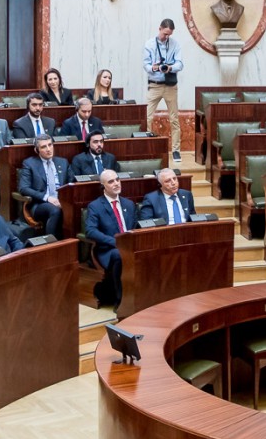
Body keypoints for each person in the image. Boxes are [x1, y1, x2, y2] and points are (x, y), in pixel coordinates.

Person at [84, 170, 137, 308]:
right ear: (103, 186)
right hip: (108, 249)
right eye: (111, 181)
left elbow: (136, 226)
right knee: (119, 254)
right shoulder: (95, 206)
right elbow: (90, 231)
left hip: (130, 245)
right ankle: (121, 300)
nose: (116, 183)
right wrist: (116, 242)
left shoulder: (129, 204)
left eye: (117, 180)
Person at [143, 18, 184, 162]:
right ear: (159, 28)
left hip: (170, 86)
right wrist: (154, 67)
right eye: (165, 33)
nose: (166, 37)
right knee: (147, 117)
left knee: (174, 119)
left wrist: (170, 67)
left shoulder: (175, 44)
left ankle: (176, 151)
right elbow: (146, 65)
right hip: (154, 85)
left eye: (169, 35)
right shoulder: (149, 44)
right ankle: (147, 148)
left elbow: (180, 64)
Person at [18, 135, 71, 237]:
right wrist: (47, 198)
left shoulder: (63, 162)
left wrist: (64, 200)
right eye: (43, 147)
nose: (48, 149)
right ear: (36, 150)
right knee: (55, 211)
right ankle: (51, 242)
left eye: (50, 145)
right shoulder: (29, 163)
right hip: (40, 203)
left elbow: (71, 183)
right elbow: (23, 188)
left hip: (62, 201)